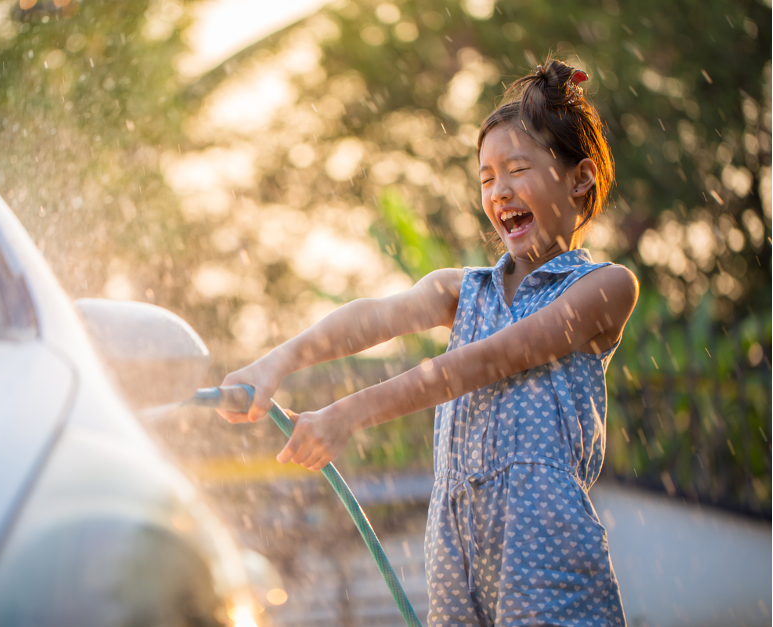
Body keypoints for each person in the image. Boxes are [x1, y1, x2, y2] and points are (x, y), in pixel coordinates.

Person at [217, 57, 638, 626]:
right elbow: (372, 318)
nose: (500, 191)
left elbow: (489, 360)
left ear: (580, 177)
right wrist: (275, 361)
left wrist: (346, 415)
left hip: (542, 543)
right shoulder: (465, 291)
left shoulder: (604, 287)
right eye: (487, 178)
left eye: (518, 169)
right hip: (455, 543)